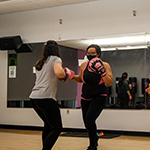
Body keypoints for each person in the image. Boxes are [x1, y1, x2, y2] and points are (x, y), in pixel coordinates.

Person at [29, 40, 75, 150]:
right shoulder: (55, 59)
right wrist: (66, 74)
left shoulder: (40, 61)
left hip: (34, 98)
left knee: (48, 125)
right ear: (56, 49)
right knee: (57, 128)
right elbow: (59, 73)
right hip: (46, 97)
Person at [72, 44, 113, 150]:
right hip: (86, 95)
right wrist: (70, 76)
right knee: (86, 121)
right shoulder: (84, 65)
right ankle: (95, 136)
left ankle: (92, 145)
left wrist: (102, 72)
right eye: (88, 53)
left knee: (90, 118)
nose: (90, 55)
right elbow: (80, 79)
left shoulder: (105, 65)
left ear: (98, 54)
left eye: (93, 54)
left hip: (99, 95)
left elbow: (109, 83)